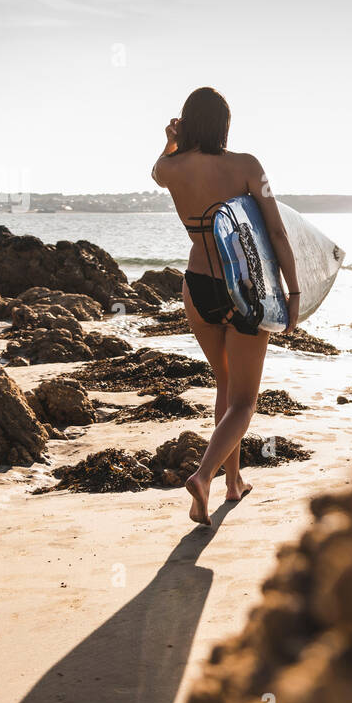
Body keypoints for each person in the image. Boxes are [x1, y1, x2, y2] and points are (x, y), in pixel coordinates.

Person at [151, 87, 300, 524]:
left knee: (225, 383)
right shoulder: (247, 166)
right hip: (245, 293)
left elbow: (156, 171)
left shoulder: (170, 168)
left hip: (197, 287)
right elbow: (275, 232)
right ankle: (203, 476)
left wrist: (172, 141)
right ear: (224, 125)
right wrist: (293, 293)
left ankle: (233, 483)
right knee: (245, 402)